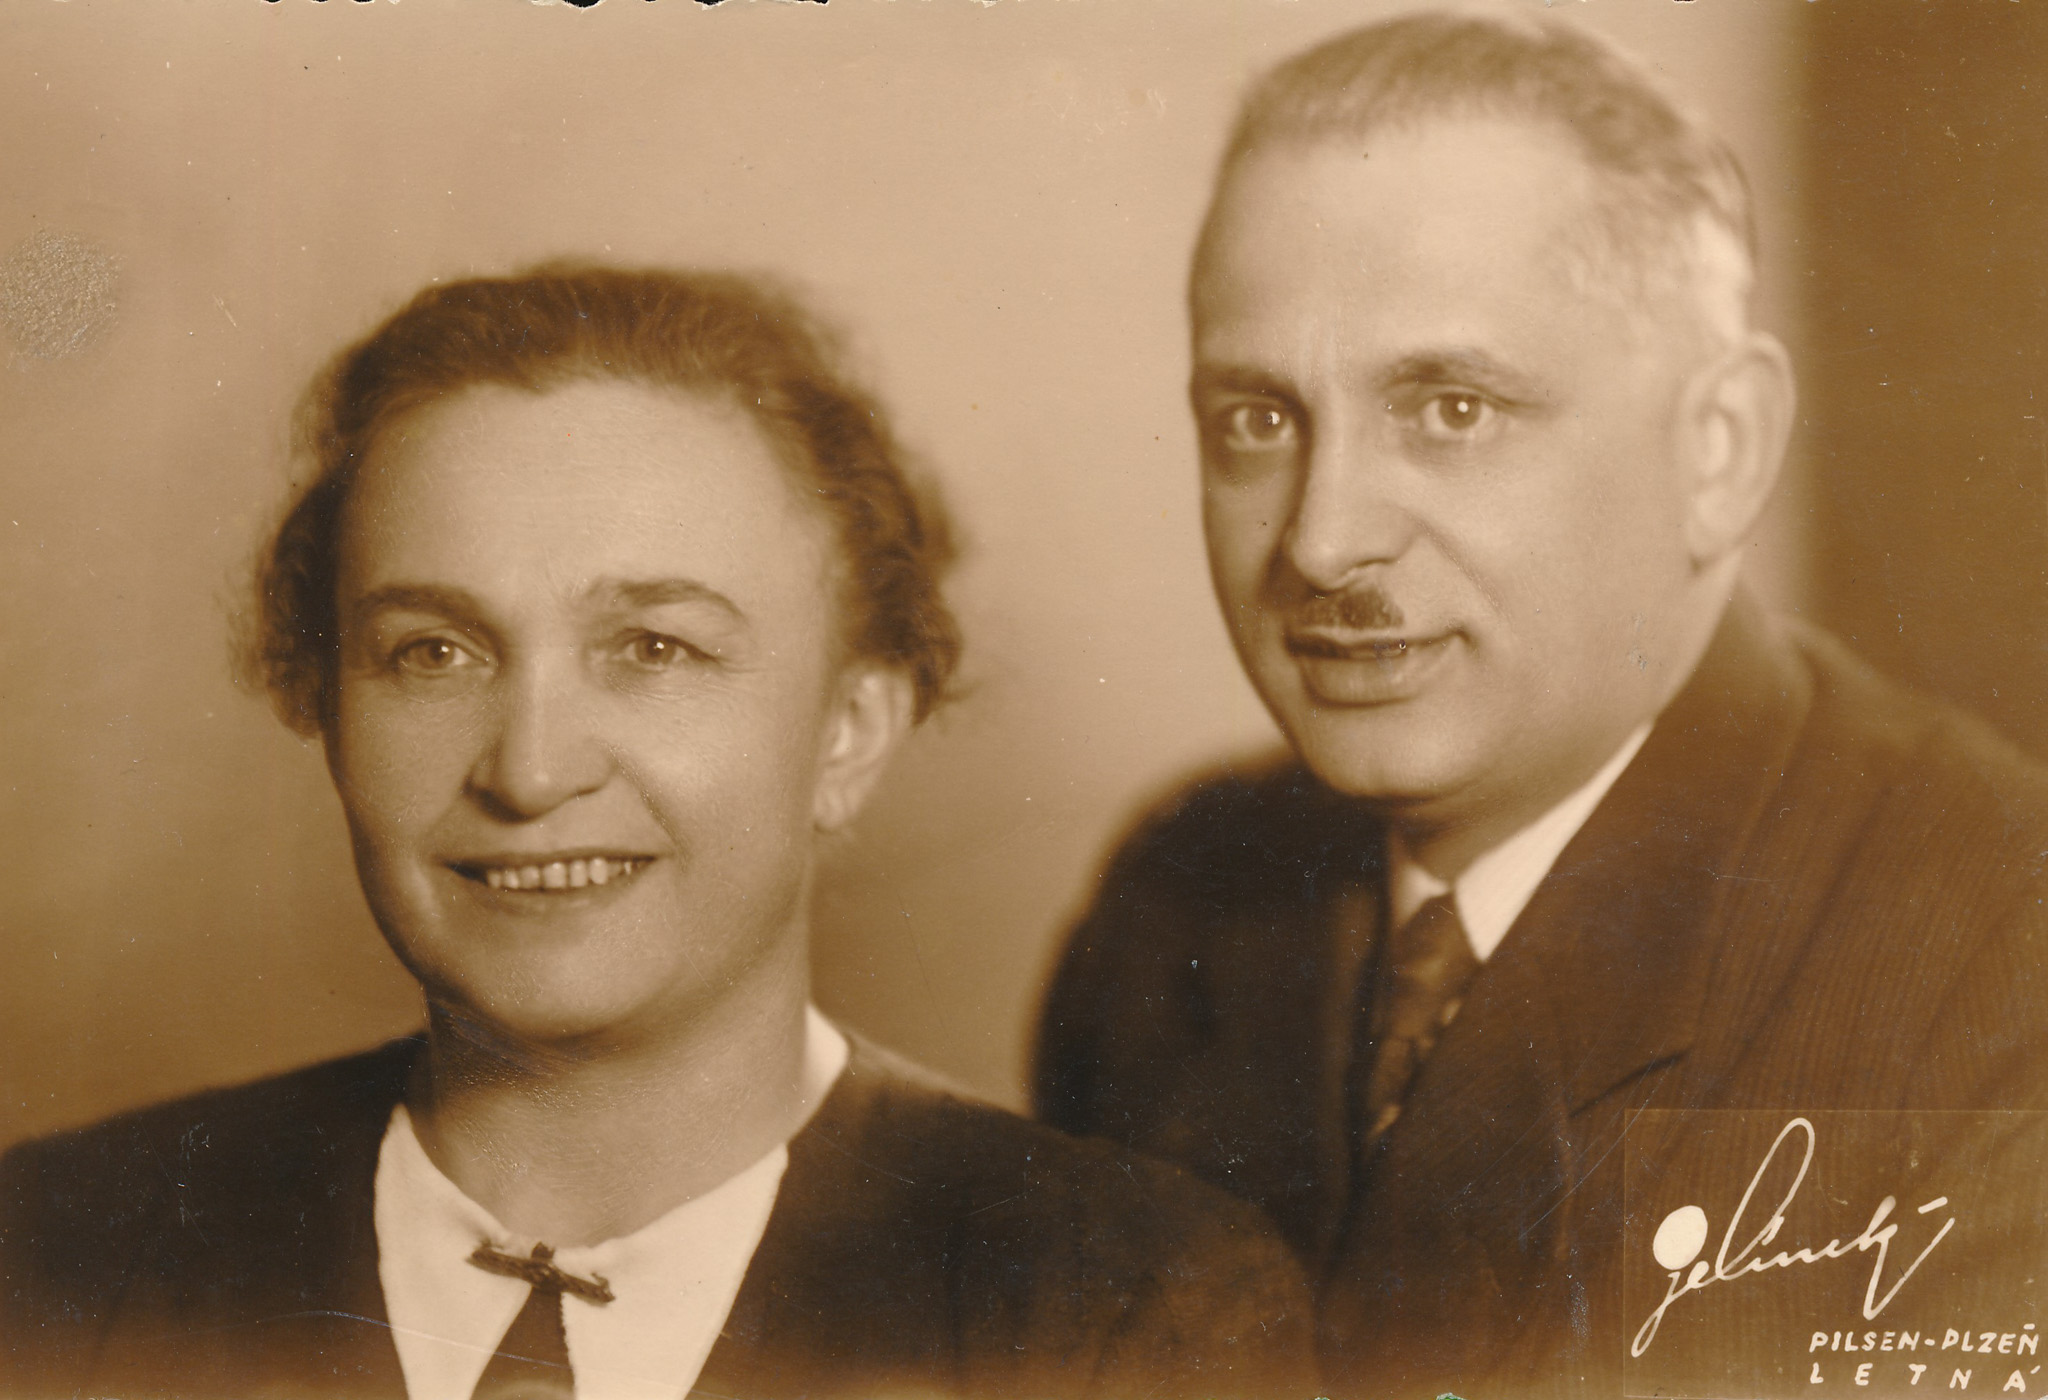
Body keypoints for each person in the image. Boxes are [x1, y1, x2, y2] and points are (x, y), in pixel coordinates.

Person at [0, 266, 1316, 1400]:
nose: (531, 769)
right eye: (434, 650)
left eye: (653, 648)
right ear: (327, 707)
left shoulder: (1127, 1309)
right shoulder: (54, 1253)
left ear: (849, 732)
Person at [1034, 12, 2048, 1398]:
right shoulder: (1175, 909)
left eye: (1451, 409)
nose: (1322, 542)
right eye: (1257, 421)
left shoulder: (2000, 953)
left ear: (1719, 450)